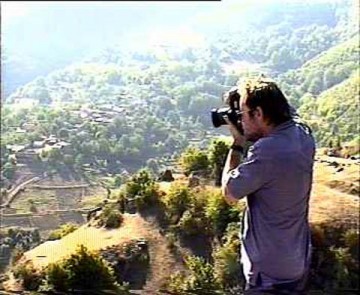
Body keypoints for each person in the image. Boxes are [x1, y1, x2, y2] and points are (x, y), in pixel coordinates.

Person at [221, 77, 315, 294]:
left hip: (269, 272)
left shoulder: (269, 151)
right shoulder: (302, 133)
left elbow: (229, 192)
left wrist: (236, 145)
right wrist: (244, 95)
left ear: (259, 113)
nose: (240, 122)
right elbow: (283, 108)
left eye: (243, 115)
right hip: (296, 259)